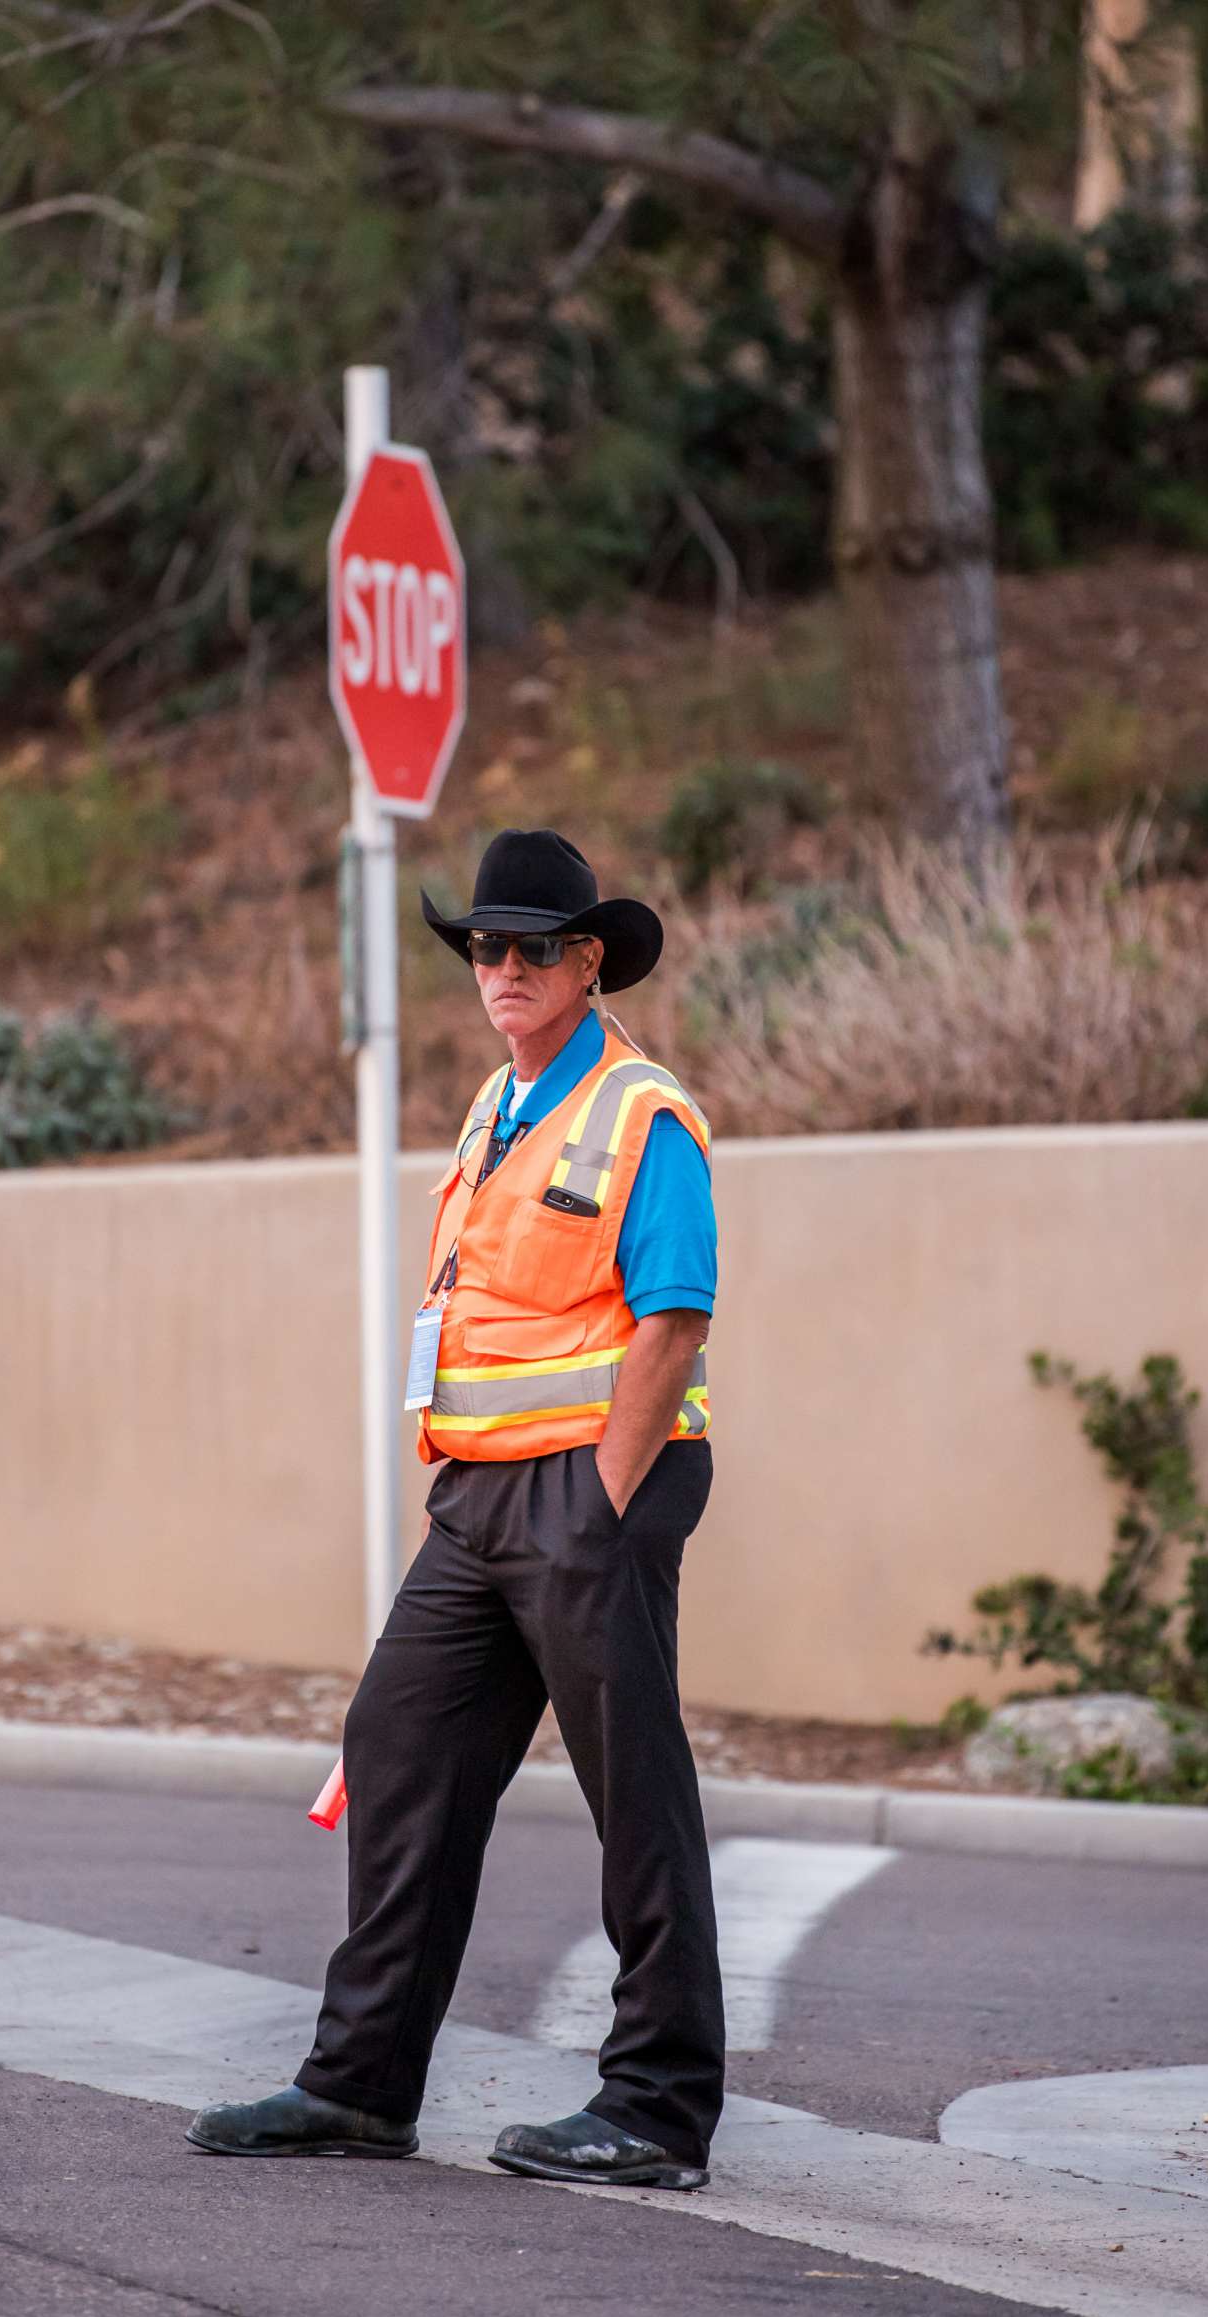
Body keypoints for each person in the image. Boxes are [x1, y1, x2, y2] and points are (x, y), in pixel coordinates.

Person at [187, 828, 723, 2189]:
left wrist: (598, 1506)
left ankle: (657, 2110)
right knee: (398, 1739)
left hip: (593, 1489)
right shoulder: (498, 1108)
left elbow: (671, 1323)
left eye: (533, 946)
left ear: (588, 961)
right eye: (484, 945)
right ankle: (362, 2086)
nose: (502, 967)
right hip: (480, 1501)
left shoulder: (640, 1112)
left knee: (634, 1794)